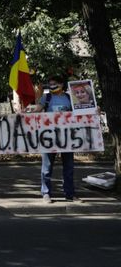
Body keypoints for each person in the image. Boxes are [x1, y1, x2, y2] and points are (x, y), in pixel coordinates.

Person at [36, 75, 79, 203]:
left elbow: (80, 112)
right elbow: (37, 111)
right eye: (50, 84)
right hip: (49, 138)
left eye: (54, 83)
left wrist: (94, 111)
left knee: (69, 168)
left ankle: (70, 194)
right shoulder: (46, 98)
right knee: (47, 167)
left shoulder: (69, 98)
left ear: (61, 84)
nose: (51, 86)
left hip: (67, 138)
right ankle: (46, 193)